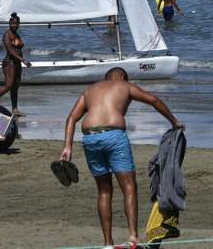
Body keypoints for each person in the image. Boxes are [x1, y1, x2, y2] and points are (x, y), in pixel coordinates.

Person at [58, 67, 183, 248]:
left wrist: (67, 147)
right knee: (129, 187)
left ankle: (108, 243)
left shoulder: (90, 90)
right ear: (123, 77)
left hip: (90, 139)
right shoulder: (124, 85)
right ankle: (132, 236)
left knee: (104, 191)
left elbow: (71, 118)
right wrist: (174, 122)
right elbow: (154, 100)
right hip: (114, 136)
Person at [0, 13, 32, 115]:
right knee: (9, 85)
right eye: (13, 23)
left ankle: (15, 109)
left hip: (17, 63)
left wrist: (20, 61)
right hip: (9, 63)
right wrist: (23, 60)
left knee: (15, 87)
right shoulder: (7, 34)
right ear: (10, 23)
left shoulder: (17, 35)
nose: (15, 25)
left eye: (17, 23)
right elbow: (10, 50)